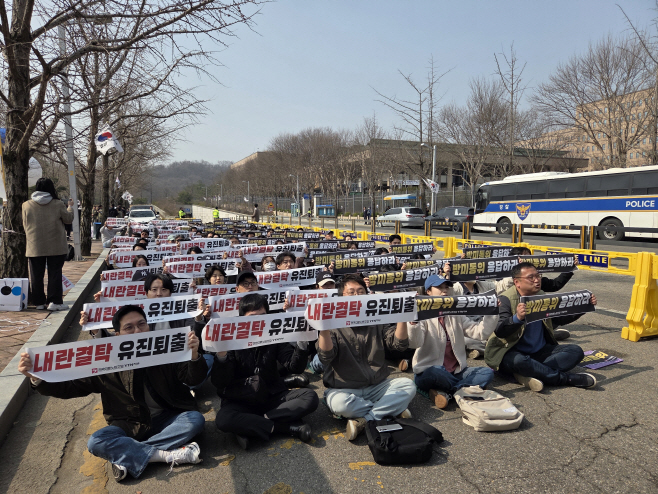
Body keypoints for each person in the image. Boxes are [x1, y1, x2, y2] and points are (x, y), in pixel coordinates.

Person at [18, 305, 206, 482]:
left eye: (141, 324)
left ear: (149, 326)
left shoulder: (167, 349)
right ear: (117, 335)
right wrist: (36, 378)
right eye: (129, 328)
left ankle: (127, 455)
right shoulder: (105, 362)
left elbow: (193, 379)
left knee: (195, 420)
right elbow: (72, 387)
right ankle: (166, 455)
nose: (138, 331)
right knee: (96, 442)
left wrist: (194, 356)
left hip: (168, 416)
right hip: (129, 423)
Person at [212, 294, 318, 450]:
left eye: (263, 316)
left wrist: (303, 341)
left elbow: (294, 367)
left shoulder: (274, 335)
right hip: (241, 399)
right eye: (252, 317)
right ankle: (285, 427)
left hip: (272, 395)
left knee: (310, 397)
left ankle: (252, 425)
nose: (258, 321)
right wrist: (222, 356)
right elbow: (220, 382)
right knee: (223, 419)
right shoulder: (230, 340)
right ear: (241, 318)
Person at [318, 274, 416, 441]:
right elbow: (325, 357)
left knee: (408, 385)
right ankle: (391, 410)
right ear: (341, 297)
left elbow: (398, 345)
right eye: (351, 292)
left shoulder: (377, 318)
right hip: (344, 388)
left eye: (361, 291)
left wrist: (402, 318)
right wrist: (324, 329)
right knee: (340, 404)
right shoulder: (333, 322)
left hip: (377, 385)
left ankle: (366, 419)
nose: (357, 295)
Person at [485, 262, 598, 392]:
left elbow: (559, 319)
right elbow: (500, 331)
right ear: (517, 282)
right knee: (518, 361)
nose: (537, 280)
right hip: (511, 352)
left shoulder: (541, 296)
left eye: (538, 276)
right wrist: (517, 318)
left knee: (575, 351)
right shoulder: (505, 300)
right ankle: (565, 378)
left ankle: (530, 372)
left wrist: (584, 307)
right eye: (531, 277)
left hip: (539, 352)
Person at [408, 275, 496, 409]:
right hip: (428, 371)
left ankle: (449, 392)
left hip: (456, 371)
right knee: (436, 372)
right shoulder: (422, 314)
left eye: (447, 287)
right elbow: (415, 343)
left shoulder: (455, 313)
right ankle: (467, 389)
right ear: (428, 292)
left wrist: (492, 312)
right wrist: (413, 323)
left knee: (486, 373)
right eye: (439, 287)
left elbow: (480, 333)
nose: (444, 290)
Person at [22, 178, 74, 311]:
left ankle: (39, 302)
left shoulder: (26, 205)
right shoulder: (58, 204)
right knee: (55, 273)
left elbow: (25, 225)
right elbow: (68, 219)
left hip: (34, 245)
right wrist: (70, 207)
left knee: (36, 275)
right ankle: (54, 302)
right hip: (56, 245)